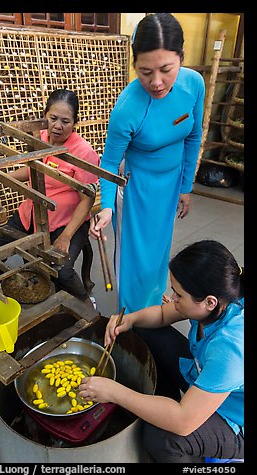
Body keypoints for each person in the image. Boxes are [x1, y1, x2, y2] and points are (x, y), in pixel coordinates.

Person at [79, 240, 244, 463]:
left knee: (163, 437)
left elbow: (183, 421)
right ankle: (164, 403)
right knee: (147, 332)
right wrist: (129, 319)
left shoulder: (230, 348)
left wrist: (114, 392)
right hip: (207, 379)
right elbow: (164, 314)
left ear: (209, 302)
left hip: (234, 417)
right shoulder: (218, 300)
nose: (172, 298)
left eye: (179, 295)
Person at [89, 13, 205, 314]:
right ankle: (132, 317)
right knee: (135, 257)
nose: (156, 82)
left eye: (166, 70)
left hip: (169, 185)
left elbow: (192, 137)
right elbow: (110, 163)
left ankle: (152, 307)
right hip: (136, 189)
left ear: (181, 57)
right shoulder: (127, 109)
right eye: (144, 72)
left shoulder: (193, 85)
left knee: (158, 252)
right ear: (134, 66)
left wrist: (185, 187)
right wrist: (106, 207)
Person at [0, 89, 100, 305]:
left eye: (65, 121)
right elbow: (33, 170)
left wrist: (66, 236)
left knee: (61, 270)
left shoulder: (83, 152)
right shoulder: (41, 138)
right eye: (53, 118)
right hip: (32, 213)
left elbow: (87, 200)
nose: (58, 126)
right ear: (45, 116)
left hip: (66, 222)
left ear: (75, 123)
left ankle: (85, 302)